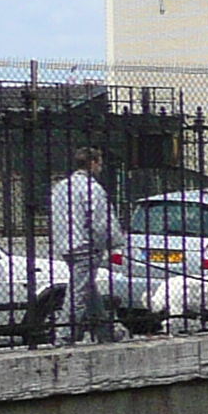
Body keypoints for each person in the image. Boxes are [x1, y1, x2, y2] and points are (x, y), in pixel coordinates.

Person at [47, 147, 126, 344]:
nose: (100, 167)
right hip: (86, 246)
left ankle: (105, 332)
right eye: (99, 162)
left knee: (87, 287)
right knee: (79, 291)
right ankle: (64, 335)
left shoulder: (61, 187)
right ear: (92, 163)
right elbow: (101, 221)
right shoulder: (93, 189)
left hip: (66, 244)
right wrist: (114, 242)